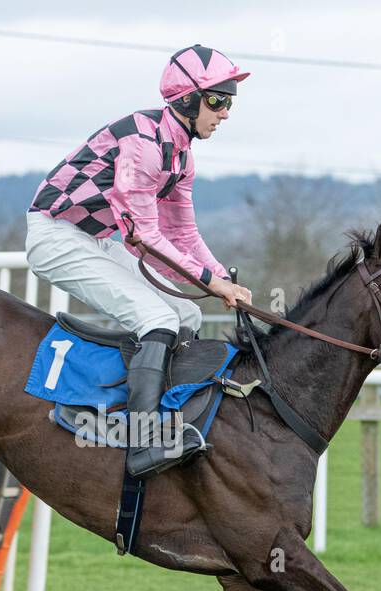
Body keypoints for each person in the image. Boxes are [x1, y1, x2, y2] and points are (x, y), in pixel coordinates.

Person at [24, 43, 253, 477]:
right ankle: (143, 441)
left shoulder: (181, 155)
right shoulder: (143, 142)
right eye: (218, 100)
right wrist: (212, 282)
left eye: (229, 102)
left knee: (184, 312)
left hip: (97, 240)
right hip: (56, 236)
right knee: (158, 319)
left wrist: (222, 280)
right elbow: (145, 236)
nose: (225, 112)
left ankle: (169, 418)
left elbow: (182, 234)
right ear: (186, 98)